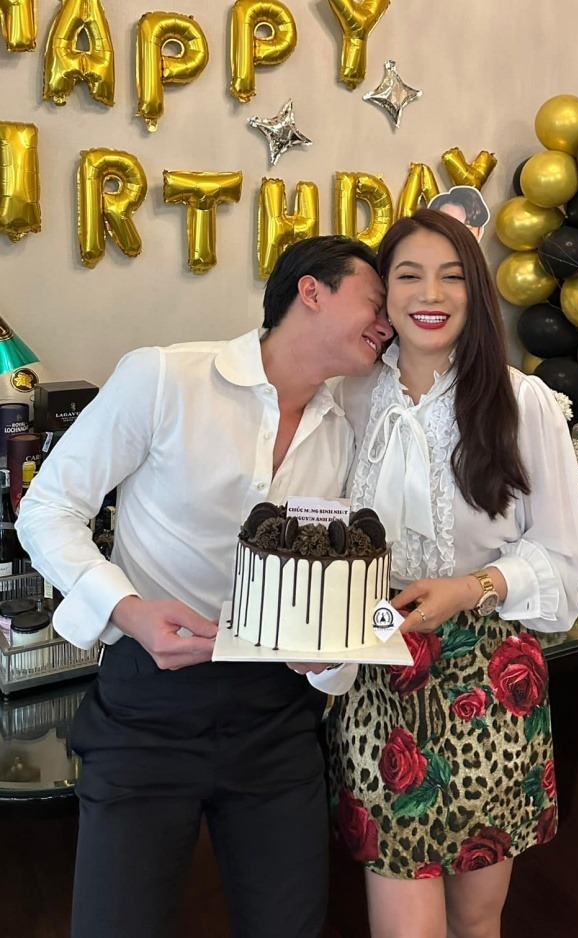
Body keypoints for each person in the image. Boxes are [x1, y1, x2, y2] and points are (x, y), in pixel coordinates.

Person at [16, 235, 393, 938]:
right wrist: (127, 610)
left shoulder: (347, 430)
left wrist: (327, 661)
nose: (387, 323)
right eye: (375, 302)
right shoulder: (164, 378)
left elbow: (343, 590)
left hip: (277, 719)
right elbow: (48, 507)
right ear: (311, 290)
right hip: (147, 710)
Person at [326, 209, 578, 938]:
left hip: (490, 681)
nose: (430, 293)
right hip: (378, 677)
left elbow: (565, 558)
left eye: (451, 276)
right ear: (384, 294)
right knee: (405, 925)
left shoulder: (522, 402)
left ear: (475, 292)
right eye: (408, 275)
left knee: (476, 920)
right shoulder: (346, 397)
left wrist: (473, 587)